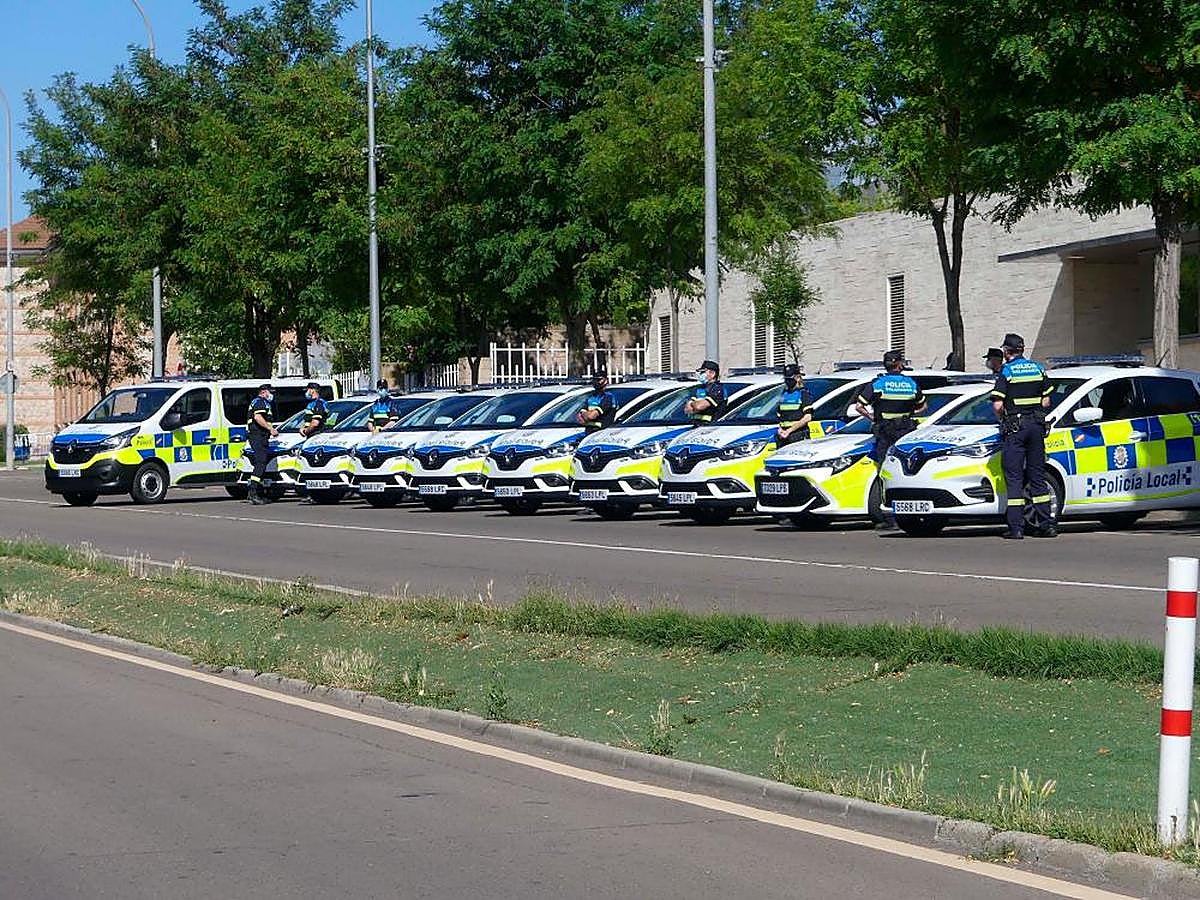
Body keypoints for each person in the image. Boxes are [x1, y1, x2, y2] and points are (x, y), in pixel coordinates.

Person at [991, 333, 1056, 540]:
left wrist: (1004, 418)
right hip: (1036, 427)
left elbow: (997, 405)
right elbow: (1046, 401)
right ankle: (1046, 525)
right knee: (1037, 476)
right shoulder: (1038, 368)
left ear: (1006, 351)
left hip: (1015, 428)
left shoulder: (1007, 371)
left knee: (1015, 478)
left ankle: (1016, 528)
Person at [855, 351, 926, 530]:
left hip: (885, 432)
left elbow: (859, 406)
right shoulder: (911, 384)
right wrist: (908, 413)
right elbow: (923, 406)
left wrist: (872, 417)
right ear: (900, 364)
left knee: (885, 473)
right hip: (905, 432)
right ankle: (911, 513)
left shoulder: (878, 384)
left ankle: (890, 518)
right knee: (907, 472)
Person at [246, 383, 278, 505]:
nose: (272, 395)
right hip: (258, 436)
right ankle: (253, 493)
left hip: (260, 436)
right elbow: (258, 417)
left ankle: (257, 492)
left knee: (261, 463)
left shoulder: (260, 402)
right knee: (260, 463)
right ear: (263, 392)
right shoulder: (260, 402)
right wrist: (270, 429)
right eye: (270, 392)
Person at [776, 363, 814, 446]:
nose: (787, 382)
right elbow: (779, 416)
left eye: (790, 379)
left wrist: (789, 430)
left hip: (798, 435)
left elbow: (807, 417)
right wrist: (780, 429)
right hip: (783, 436)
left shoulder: (803, 393)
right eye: (786, 379)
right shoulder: (784, 394)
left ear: (797, 378)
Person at [683, 359, 725, 425]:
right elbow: (687, 409)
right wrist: (695, 404)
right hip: (696, 425)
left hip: (710, 426)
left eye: (703, 372)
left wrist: (693, 404)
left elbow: (699, 406)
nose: (700, 374)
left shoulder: (717, 389)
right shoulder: (701, 387)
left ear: (712, 374)